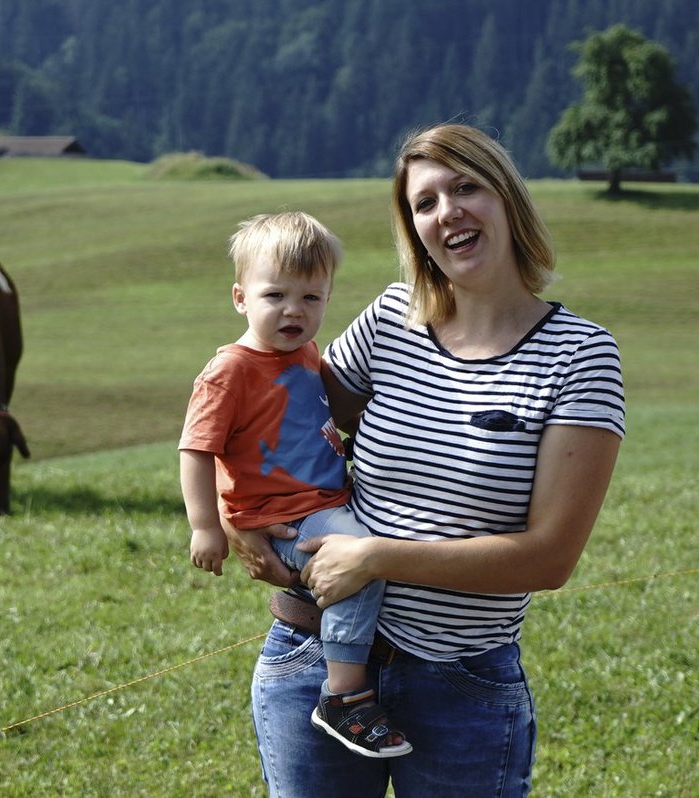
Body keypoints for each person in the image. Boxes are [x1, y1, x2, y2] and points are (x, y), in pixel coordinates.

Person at [223, 124, 626, 797]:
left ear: (508, 199)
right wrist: (232, 513)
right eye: (425, 203)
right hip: (312, 658)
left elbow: (549, 557)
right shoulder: (389, 320)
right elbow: (271, 419)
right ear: (414, 229)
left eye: (466, 187)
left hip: (461, 683)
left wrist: (377, 556)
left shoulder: (578, 356)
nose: (448, 213)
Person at [179, 211, 413, 758]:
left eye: (312, 298)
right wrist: (206, 526)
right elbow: (196, 449)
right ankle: (344, 694)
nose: (294, 311)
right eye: (275, 295)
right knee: (361, 562)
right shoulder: (229, 371)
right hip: (287, 514)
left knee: (363, 557)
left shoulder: (308, 354)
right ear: (240, 297)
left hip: (325, 501)